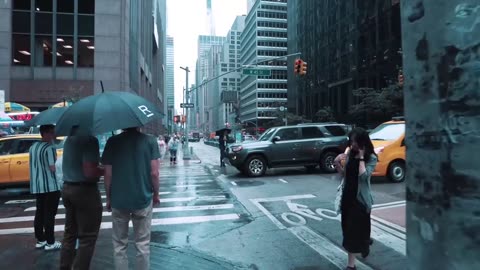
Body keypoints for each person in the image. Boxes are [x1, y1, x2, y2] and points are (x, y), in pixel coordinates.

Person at [102, 127, 160, 270]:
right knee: (143, 244)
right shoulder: (150, 141)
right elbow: (154, 173)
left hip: (119, 199)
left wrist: (108, 197)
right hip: (143, 198)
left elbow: (107, 174)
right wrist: (156, 194)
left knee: (119, 245)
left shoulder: (112, 141)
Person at [60, 129, 104, 270]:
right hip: (85, 191)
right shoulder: (90, 140)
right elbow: (90, 172)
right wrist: (106, 169)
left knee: (70, 235)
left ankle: (64, 267)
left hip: (67, 188)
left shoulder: (69, 139)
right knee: (87, 238)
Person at [334, 127, 378, 270]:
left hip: (360, 200)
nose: (352, 144)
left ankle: (362, 249)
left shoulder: (371, 157)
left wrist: (361, 158)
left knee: (359, 231)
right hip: (347, 197)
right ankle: (352, 264)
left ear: (362, 142)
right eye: (351, 141)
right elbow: (344, 175)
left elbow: (364, 177)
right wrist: (337, 163)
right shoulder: (349, 154)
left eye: (354, 141)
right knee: (348, 231)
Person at [29, 124, 62, 251]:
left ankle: (40, 239)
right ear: (46, 133)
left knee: (39, 212)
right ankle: (50, 242)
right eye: (52, 133)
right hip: (51, 186)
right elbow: (52, 167)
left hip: (37, 186)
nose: (54, 135)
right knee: (49, 214)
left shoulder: (33, 147)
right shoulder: (49, 148)